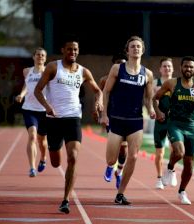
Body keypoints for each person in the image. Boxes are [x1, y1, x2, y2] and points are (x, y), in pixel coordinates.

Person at [34, 35, 103, 214]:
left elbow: (98, 90)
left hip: (73, 118)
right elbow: (37, 90)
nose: (73, 52)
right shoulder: (52, 67)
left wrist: (98, 104)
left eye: (75, 49)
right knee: (56, 162)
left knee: (72, 157)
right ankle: (51, 154)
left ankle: (65, 200)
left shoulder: (83, 71)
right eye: (69, 49)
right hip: (54, 119)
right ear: (63, 50)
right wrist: (47, 107)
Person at [100, 36, 155, 205]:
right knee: (111, 159)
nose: (136, 49)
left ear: (142, 50)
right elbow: (106, 92)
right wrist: (104, 114)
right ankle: (111, 167)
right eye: (132, 46)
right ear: (127, 50)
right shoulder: (118, 69)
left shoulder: (148, 74)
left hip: (136, 120)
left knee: (134, 157)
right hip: (116, 119)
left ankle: (120, 193)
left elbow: (148, 98)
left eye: (139, 46)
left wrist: (151, 109)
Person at [154, 56, 194, 205]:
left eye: (191, 67)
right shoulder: (172, 83)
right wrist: (158, 112)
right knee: (179, 152)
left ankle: (182, 191)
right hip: (175, 124)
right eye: (185, 66)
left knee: (189, 164)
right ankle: (170, 168)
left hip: (191, 128)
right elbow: (155, 98)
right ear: (181, 68)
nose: (188, 69)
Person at [96, 53, 128, 190]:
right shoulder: (105, 79)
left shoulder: (130, 78)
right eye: (119, 63)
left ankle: (119, 172)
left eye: (124, 63)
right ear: (113, 65)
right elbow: (100, 95)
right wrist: (99, 110)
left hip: (128, 116)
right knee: (114, 144)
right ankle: (110, 166)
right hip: (112, 116)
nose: (121, 66)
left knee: (124, 149)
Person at [15, 47, 48, 178]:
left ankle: (43, 157)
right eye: (38, 55)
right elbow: (26, 85)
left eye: (42, 55)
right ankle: (32, 167)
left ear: (45, 59)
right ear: (34, 57)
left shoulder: (49, 72)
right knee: (32, 136)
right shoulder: (27, 71)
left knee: (42, 141)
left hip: (44, 110)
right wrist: (21, 95)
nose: (40, 57)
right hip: (29, 109)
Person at [152, 57, 176, 190]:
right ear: (160, 69)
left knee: (175, 149)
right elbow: (151, 100)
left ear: (172, 69)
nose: (167, 68)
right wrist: (154, 111)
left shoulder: (177, 83)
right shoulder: (155, 83)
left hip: (174, 122)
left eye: (169, 66)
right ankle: (159, 178)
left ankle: (171, 171)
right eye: (165, 66)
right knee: (160, 153)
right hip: (160, 121)